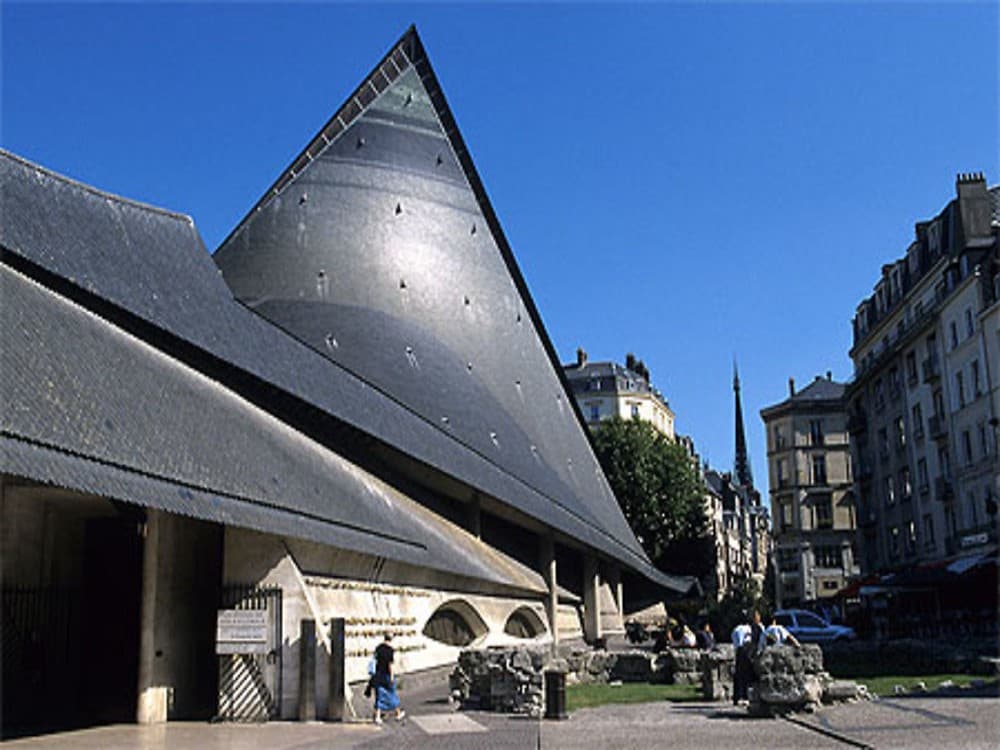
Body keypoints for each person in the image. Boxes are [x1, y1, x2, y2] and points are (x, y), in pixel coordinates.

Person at [371, 633, 405, 725]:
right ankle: (397, 713)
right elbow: (390, 665)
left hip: (378, 674)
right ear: (391, 639)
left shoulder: (378, 648)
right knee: (392, 693)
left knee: (379, 695)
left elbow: (374, 660)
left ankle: (378, 716)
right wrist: (391, 676)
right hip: (386, 674)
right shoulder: (390, 650)